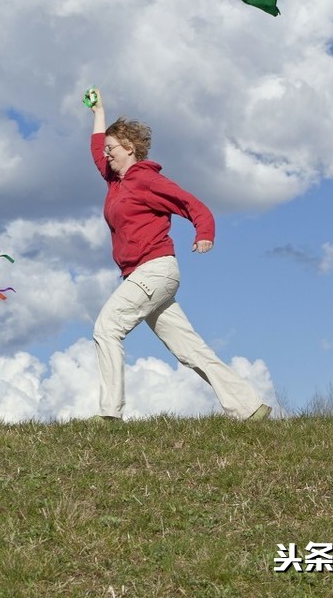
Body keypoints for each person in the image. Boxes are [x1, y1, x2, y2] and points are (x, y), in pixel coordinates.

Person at [85, 88, 271, 421]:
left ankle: (109, 415)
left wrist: (204, 234)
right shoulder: (116, 182)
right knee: (189, 349)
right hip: (144, 276)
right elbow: (97, 151)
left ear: (130, 149)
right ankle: (249, 407)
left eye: (113, 149)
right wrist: (99, 112)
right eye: (108, 150)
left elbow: (193, 204)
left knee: (107, 327)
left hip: (155, 271)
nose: (107, 155)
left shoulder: (148, 181)